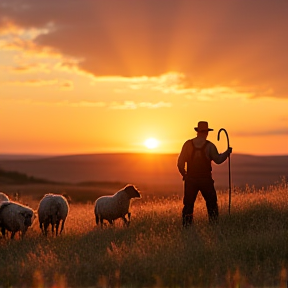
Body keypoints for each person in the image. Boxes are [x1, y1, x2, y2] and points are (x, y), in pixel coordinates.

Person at [177, 121, 232, 227]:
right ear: (207, 132)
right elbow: (218, 160)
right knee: (212, 204)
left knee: (188, 205)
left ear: (197, 131)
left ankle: (187, 229)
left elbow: (180, 163)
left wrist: (185, 175)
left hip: (191, 180)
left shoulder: (188, 144)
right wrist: (227, 153)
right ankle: (214, 227)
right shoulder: (210, 146)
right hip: (206, 180)